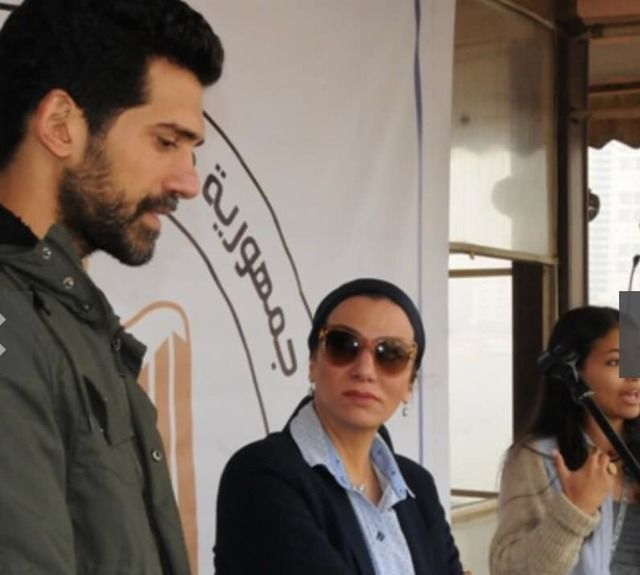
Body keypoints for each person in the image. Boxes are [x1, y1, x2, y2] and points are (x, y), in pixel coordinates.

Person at [0, 0, 223, 573]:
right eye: (166, 142)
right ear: (60, 126)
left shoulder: (74, 318)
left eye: (192, 151)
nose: (189, 182)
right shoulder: (12, 323)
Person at [214, 278, 465, 574]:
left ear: (410, 384)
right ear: (312, 363)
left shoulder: (418, 486)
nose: (365, 370)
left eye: (391, 354)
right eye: (343, 345)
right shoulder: (259, 474)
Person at [490, 306, 640, 575]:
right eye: (615, 362)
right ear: (574, 371)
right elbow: (507, 570)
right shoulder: (537, 457)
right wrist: (576, 509)